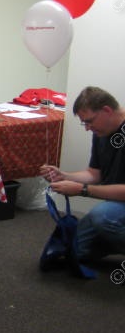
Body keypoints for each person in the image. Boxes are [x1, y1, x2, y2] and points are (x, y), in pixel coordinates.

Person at [40, 86, 125, 263]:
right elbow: (94, 174)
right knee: (76, 252)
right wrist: (64, 176)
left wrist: (82, 190)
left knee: (102, 216)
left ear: (106, 110)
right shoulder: (102, 132)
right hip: (117, 204)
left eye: (89, 121)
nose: (87, 128)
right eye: (84, 123)